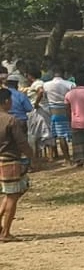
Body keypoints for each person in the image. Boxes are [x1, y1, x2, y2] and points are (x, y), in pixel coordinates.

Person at [0, 89, 34, 242]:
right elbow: (22, 143)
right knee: (13, 196)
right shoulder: (11, 120)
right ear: (7, 101)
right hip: (10, 161)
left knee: (9, 194)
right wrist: (33, 157)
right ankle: (6, 232)